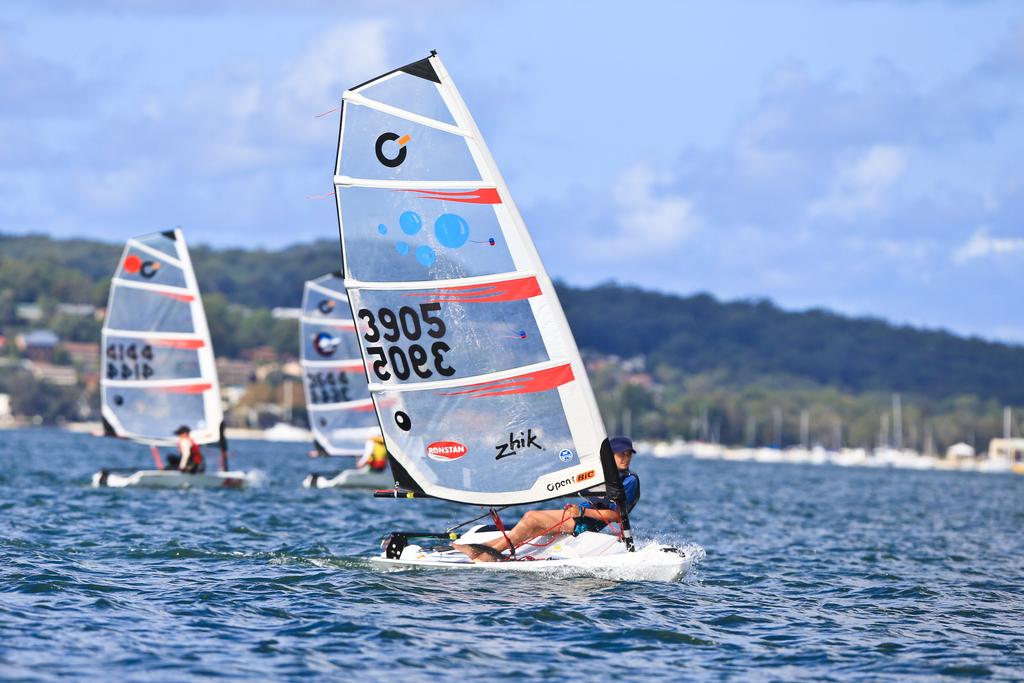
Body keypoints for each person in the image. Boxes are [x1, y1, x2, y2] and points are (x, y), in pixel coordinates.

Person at [455, 436, 640, 562]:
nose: (625, 458)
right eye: (620, 454)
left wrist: (582, 511)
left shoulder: (629, 480)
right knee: (530, 528)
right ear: (610, 455)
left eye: (628, 454)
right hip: (578, 516)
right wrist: (491, 496)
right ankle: (481, 548)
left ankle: (490, 554)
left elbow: (616, 516)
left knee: (532, 518)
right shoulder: (602, 473)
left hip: (585, 523)